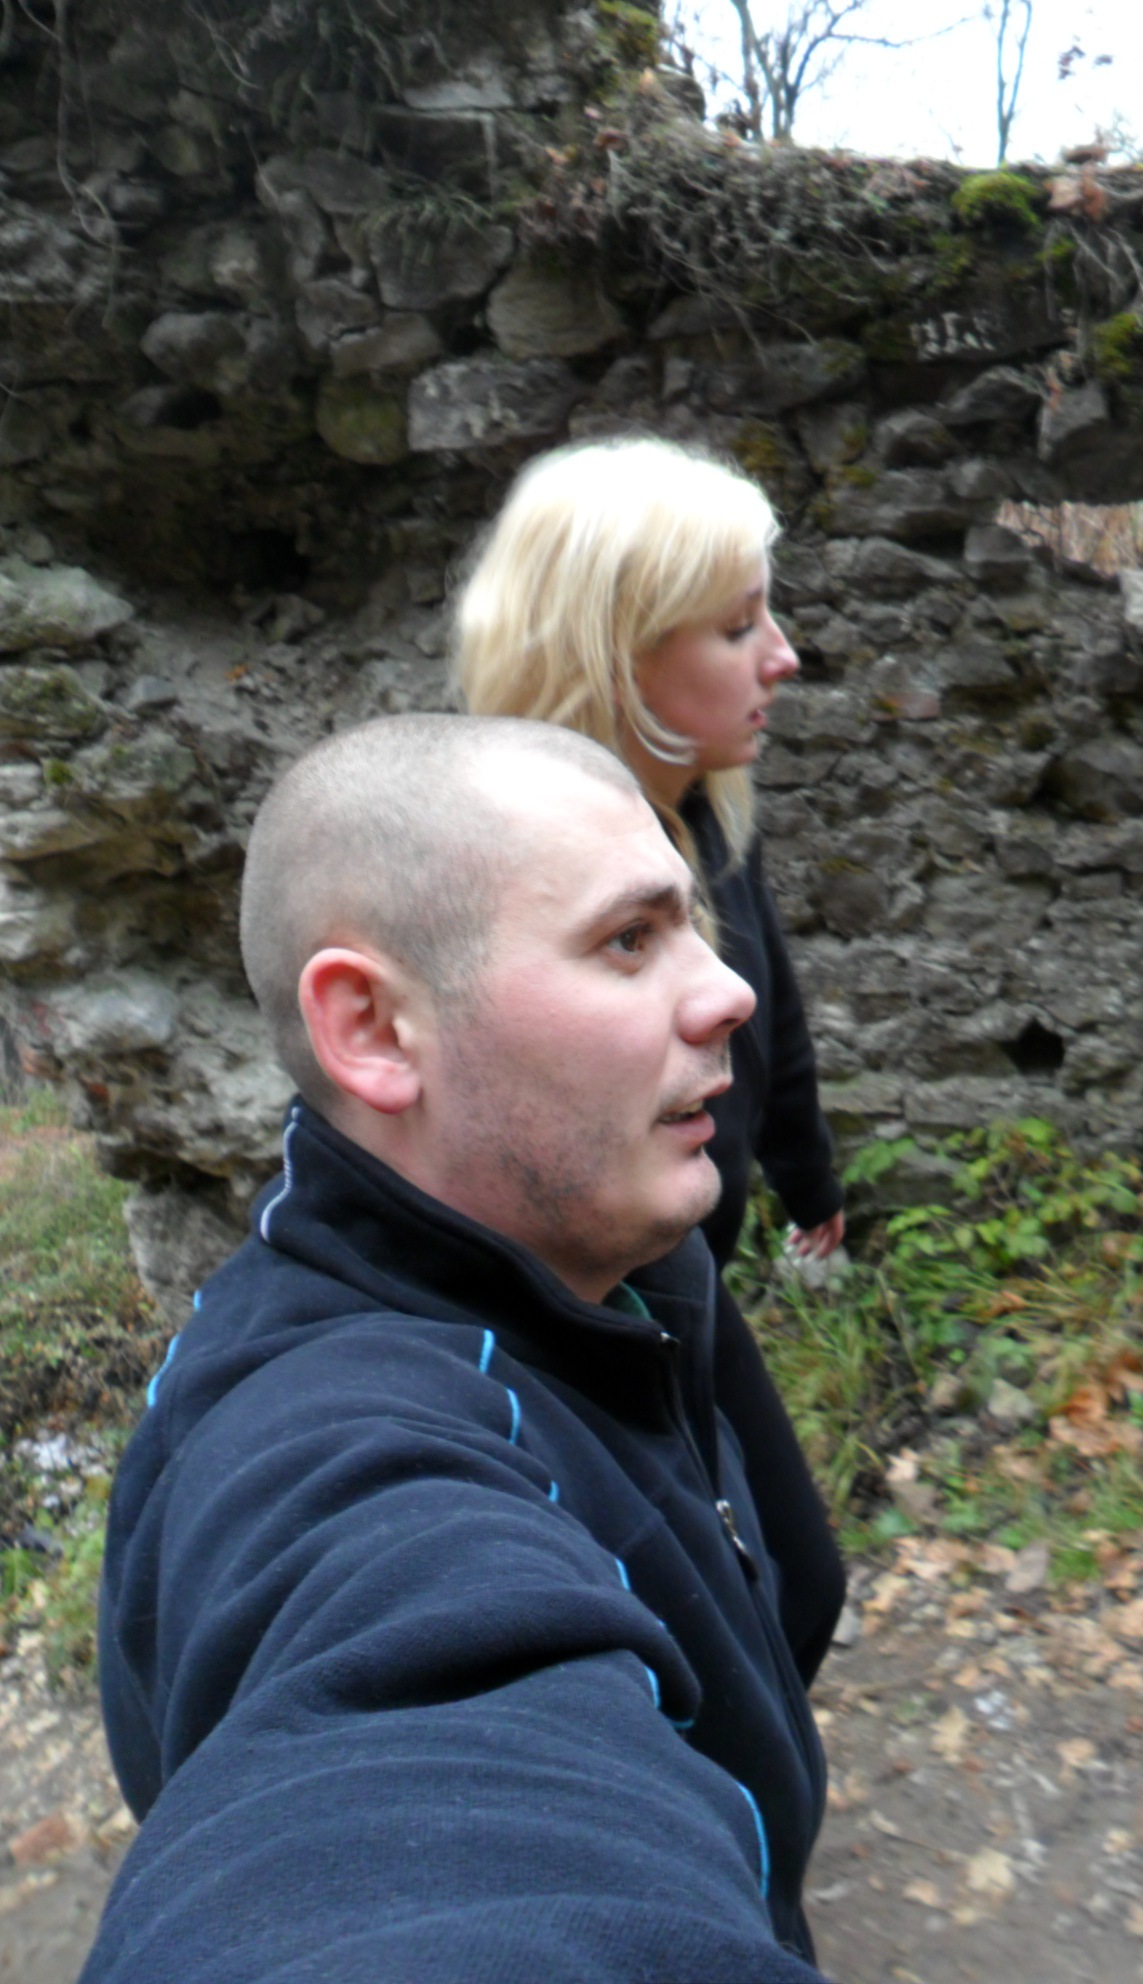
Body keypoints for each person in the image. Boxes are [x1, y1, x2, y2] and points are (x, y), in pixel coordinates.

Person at [86, 715, 840, 1984]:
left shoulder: (618, 1250)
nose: (730, 990)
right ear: (375, 1029)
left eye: (692, 924)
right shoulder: (318, 1438)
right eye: (629, 938)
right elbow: (409, 1825)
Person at [453, 434, 845, 1274]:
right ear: (612, 656)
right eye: (738, 627)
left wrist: (809, 1179)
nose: (783, 657)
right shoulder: (513, 877)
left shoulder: (707, 814)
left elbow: (769, 1012)